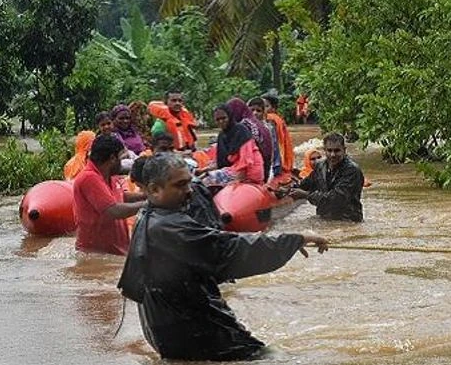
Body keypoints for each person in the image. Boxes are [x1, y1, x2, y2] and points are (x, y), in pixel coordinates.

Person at [117, 153, 329, 361]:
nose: (189, 190)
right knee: (276, 359)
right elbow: (230, 249)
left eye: (189, 183)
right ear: (154, 189)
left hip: (166, 328)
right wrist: (296, 240)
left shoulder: (148, 216)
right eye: (180, 185)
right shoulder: (170, 228)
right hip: (191, 331)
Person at [73, 134, 147, 255]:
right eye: (121, 158)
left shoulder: (108, 175)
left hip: (113, 251)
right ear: (112, 158)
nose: (122, 163)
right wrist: (149, 204)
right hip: (96, 256)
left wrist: (145, 196)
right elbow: (112, 210)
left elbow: (121, 197)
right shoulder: (89, 178)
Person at [289, 133, 364, 222]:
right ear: (324, 150)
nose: (333, 155)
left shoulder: (352, 170)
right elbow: (306, 184)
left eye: (337, 151)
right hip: (323, 218)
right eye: (329, 150)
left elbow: (336, 199)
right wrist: (288, 189)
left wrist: (305, 195)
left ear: (344, 150)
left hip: (348, 221)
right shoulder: (320, 166)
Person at [199, 104, 265, 186]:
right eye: (217, 119)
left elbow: (246, 159)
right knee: (201, 179)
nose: (221, 121)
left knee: (208, 181)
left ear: (230, 117)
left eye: (223, 118)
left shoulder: (241, 131)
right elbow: (221, 161)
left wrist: (237, 180)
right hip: (233, 169)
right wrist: (204, 170)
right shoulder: (222, 135)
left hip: (250, 171)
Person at [226, 97, 274, 181]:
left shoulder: (243, 126)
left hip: (251, 171)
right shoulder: (261, 125)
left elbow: (245, 158)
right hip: (264, 171)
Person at [248, 97, 282, 178]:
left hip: (266, 164)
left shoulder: (268, 128)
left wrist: (276, 166)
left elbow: (274, 148)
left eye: (258, 111)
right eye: (252, 110)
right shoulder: (244, 127)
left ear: (263, 112)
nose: (255, 113)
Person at [263, 94, 294, 174]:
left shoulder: (270, 118)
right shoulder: (279, 119)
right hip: (283, 156)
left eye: (266, 106)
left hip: (276, 158)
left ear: (273, 108)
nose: (263, 108)